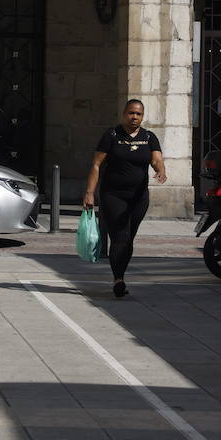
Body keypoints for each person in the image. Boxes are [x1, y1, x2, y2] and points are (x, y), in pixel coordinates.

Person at [83, 98, 167, 299]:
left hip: (139, 197)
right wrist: (89, 192)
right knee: (120, 236)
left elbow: (156, 159)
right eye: (131, 113)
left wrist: (161, 170)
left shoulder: (149, 137)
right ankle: (118, 279)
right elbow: (96, 165)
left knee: (129, 239)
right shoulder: (111, 135)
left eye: (138, 114)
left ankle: (120, 275)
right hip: (113, 195)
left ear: (142, 116)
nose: (134, 117)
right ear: (124, 114)